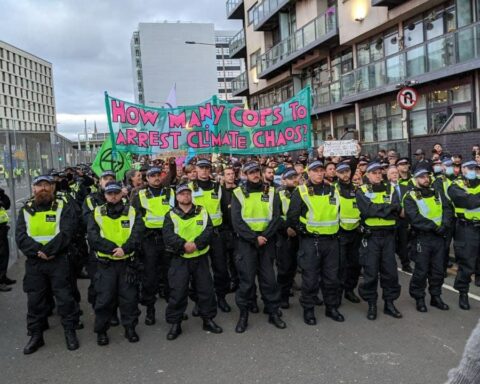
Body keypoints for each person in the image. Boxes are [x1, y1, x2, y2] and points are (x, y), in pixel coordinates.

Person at [16, 175, 80, 354]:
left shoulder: (62, 206)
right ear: (33, 189)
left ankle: (70, 332)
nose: (43, 188)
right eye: (39, 186)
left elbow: (67, 232)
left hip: (58, 260)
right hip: (35, 263)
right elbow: (20, 236)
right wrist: (38, 251)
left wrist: (50, 251)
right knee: (35, 301)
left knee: (65, 299)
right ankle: (36, 335)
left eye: (46, 185)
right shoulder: (26, 210)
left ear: (52, 188)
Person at [287, 160, 344, 325]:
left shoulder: (333, 190)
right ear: (308, 173)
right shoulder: (301, 191)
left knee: (331, 278)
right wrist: (302, 230)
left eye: (321, 170)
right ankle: (309, 309)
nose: (319, 173)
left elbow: (339, 211)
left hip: (332, 241)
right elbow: (292, 216)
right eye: (315, 171)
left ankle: (331, 307)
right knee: (310, 279)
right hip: (311, 242)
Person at [162, 183, 222, 340]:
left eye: (188, 193)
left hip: (200, 257)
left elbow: (209, 230)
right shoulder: (171, 215)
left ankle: (208, 319)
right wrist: (183, 245)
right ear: (177, 197)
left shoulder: (202, 211)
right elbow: (168, 235)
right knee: (178, 292)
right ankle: (176, 324)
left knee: (205, 290)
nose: (185, 196)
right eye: (182, 194)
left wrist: (196, 244)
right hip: (180, 258)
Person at [231, 161, 286, 333]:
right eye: (251, 172)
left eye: (257, 171)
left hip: (266, 242)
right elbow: (237, 222)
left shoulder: (271, 191)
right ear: (245, 175)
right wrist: (255, 238)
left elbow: (276, 217)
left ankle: (273, 312)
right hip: (247, 243)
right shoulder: (238, 193)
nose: (255, 175)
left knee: (269, 280)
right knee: (246, 282)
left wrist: (264, 236)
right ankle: (243, 315)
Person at [87, 181, 144, 346]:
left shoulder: (132, 212)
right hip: (106, 264)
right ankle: (101, 331)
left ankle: (130, 328)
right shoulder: (97, 213)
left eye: (116, 193)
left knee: (129, 299)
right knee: (104, 299)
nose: (113, 196)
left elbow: (138, 233)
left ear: (122, 194)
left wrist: (125, 249)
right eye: (109, 193)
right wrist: (113, 249)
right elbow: (93, 237)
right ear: (104, 195)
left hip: (127, 263)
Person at [356, 162, 402, 320]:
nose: (377, 175)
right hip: (372, 237)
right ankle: (372, 304)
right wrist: (387, 209)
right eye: (373, 173)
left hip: (389, 237)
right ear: (367, 175)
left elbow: (397, 209)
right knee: (371, 272)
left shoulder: (391, 188)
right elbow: (367, 210)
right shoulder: (362, 190)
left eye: (379, 172)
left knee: (390, 272)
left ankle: (389, 303)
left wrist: (380, 209)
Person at [403, 168, 452, 312]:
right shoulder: (410, 196)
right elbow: (414, 217)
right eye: (422, 177)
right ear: (415, 179)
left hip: (439, 237)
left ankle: (435, 296)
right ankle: (419, 298)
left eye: (427, 176)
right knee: (421, 270)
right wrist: (433, 227)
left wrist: (445, 224)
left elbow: (447, 209)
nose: (426, 179)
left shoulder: (437, 192)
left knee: (438, 270)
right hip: (422, 238)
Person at [131, 166, 174, 325]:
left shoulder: (171, 192)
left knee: (171, 276)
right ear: (146, 179)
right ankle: (150, 310)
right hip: (149, 240)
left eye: (158, 175)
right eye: (152, 176)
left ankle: (173, 310)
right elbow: (135, 218)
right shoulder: (139, 195)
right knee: (150, 278)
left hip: (168, 239)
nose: (156, 178)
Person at [189, 159, 231, 313]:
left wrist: (226, 232)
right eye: (202, 168)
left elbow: (225, 211)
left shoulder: (217, 187)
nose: (205, 171)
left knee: (220, 268)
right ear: (196, 170)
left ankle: (221, 297)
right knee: (198, 271)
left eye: (207, 168)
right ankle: (199, 301)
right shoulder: (189, 188)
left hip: (216, 234)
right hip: (198, 235)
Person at [447, 161, 480, 310]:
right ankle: (463, 293)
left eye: (476, 168)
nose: (474, 171)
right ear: (463, 169)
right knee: (466, 263)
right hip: (466, 228)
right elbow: (469, 202)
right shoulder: (455, 185)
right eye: (470, 168)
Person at [335, 162, 362, 304]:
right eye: (341, 172)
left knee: (355, 264)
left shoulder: (357, 189)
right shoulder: (333, 189)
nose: (345, 174)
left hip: (355, 232)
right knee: (340, 266)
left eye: (347, 171)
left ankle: (349, 290)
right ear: (337, 174)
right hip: (340, 233)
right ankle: (337, 294)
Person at [276, 168, 300, 309]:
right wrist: (286, 229)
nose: (294, 180)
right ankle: (283, 296)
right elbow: (275, 215)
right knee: (284, 268)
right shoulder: (279, 194)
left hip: (299, 234)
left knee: (295, 265)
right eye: (291, 178)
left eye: (296, 177)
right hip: (284, 236)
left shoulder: (303, 192)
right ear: (284, 180)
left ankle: (291, 286)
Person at [0, 187, 13, 291]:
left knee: (5, 254)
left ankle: (3, 277)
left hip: (2, 228)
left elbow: (7, 204)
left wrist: (2, 194)